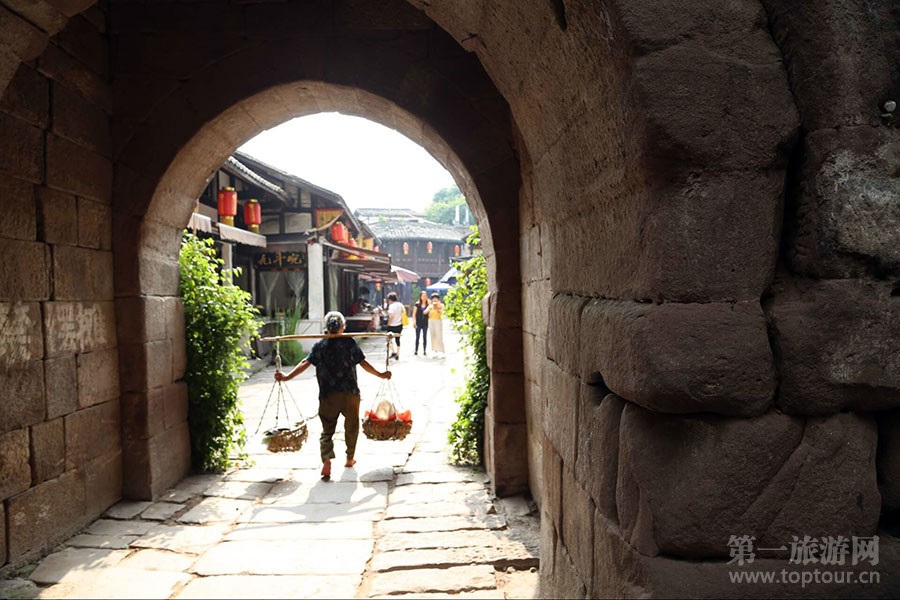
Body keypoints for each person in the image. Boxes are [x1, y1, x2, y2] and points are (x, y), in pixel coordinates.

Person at [274, 311, 391, 480]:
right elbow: (363, 363)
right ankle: (349, 458)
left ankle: (327, 459)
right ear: (342, 327)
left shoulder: (320, 345)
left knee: (327, 430)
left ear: (327, 328)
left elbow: (305, 363)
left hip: (328, 395)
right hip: (350, 394)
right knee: (351, 427)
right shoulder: (349, 343)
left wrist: (287, 377)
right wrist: (380, 374)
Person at [385, 291, 404, 360]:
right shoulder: (400, 304)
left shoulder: (391, 306)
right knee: (397, 339)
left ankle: (393, 352)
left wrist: (388, 323)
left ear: (390, 299)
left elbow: (391, 316)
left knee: (388, 339)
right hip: (399, 324)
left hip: (392, 325)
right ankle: (398, 354)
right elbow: (403, 312)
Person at [425, 293, 445, 358]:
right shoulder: (430, 306)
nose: (434, 299)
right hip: (431, 321)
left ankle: (441, 351)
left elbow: (442, 312)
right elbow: (425, 312)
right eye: (433, 298)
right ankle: (434, 350)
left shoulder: (441, 305)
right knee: (433, 336)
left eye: (436, 298)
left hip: (438, 321)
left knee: (439, 336)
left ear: (438, 299)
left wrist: (437, 308)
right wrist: (429, 308)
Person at [413, 290, 429, 356]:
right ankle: (416, 350)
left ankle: (424, 350)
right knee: (417, 337)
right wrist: (414, 322)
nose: (424, 297)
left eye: (425, 296)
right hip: (418, 323)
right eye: (423, 296)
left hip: (425, 323)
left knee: (425, 337)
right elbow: (414, 314)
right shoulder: (417, 304)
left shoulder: (428, 305)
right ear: (420, 297)